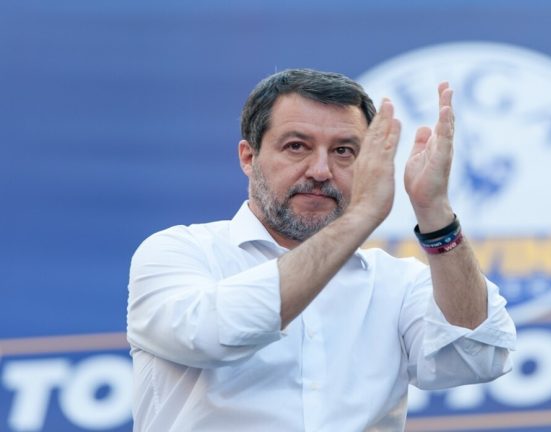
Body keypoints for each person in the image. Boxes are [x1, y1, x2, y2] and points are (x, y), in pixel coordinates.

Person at [127, 68, 516, 431]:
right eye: (297, 146)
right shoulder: (179, 252)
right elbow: (211, 334)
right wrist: (361, 216)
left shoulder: (396, 282)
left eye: (344, 151)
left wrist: (435, 212)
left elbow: (477, 357)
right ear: (248, 157)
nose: (320, 171)